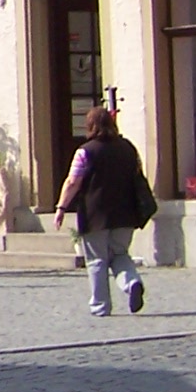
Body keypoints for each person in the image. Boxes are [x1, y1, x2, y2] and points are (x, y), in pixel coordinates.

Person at [54, 104, 152, 317]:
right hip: (125, 212)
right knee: (119, 254)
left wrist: (61, 207)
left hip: (94, 214)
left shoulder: (85, 152)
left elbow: (73, 182)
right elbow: (137, 175)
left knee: (97, 260)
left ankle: (100, 306)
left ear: (90, 126)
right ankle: (131, 282)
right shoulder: (128, 148)